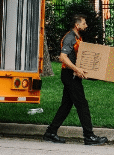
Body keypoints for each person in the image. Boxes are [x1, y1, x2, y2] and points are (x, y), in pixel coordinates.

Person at [43, 14, 108, 146]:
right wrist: (77, 69)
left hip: (72, 75)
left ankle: (50, 132)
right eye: (84, 23)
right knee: (82, 104)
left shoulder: (77, 37)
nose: (86, 26)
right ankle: (89, 136)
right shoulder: (70, 37)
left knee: (66, 105)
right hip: (69, 75)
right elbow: (62, 57)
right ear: (77, 25)